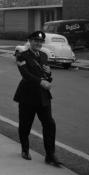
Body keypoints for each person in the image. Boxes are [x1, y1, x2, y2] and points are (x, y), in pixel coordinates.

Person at [13, 31, 62, 167]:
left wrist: (49, 74)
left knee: (50, 124)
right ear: (29, 41)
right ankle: (25, 149)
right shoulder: (21, 56)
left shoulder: (44, 56)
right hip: (27, 95)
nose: (38, 44)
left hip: (43, 96)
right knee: (25, 125)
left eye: (40, 42)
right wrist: (41, 82)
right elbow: (26, 75)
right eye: (35, 41)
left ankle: (50, 155)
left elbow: (46, 76)